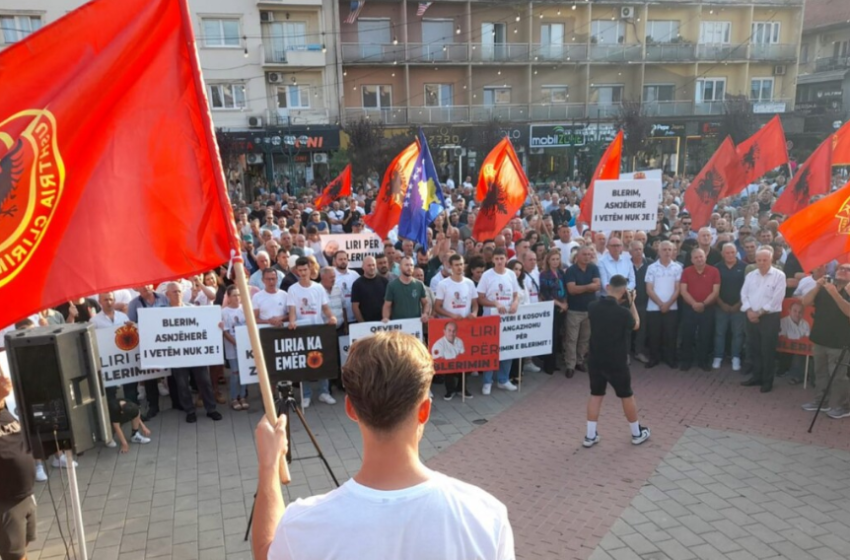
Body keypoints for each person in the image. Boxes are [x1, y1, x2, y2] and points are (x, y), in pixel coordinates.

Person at [252, 332, 515, 560]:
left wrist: (269, 464)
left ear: (351, 409)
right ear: (424, 411)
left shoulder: (305, 524)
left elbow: (266, 551)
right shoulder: (485, 517)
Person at [583, 274, 651, 448]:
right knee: (626, 395)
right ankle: (636, 433)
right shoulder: (623, 313)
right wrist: (632, 302)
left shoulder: (592, 307)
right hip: (617, 361)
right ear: (623, 291)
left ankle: (590, 436)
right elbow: (636, 324)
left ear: (608, 287)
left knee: (595, 394)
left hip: (596, 359)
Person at [165, 282, 223, 423]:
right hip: (177, 356)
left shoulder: (193, 309)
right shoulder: (161, 313)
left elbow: (207, 324)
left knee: (204, 381)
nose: (177, 294)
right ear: (167, 295)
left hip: (196, 354)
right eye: (174, 292)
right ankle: (190, 411)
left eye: (179, 291)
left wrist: (217, 325)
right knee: (182, 384)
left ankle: (211, 409)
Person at [287, 257, 338, 408]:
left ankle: (324, 392)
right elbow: (292, 310)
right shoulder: (293, 289)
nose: (302, 273)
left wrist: (331, 317)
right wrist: (292, 321)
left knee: (322, 360)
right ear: (297, 271)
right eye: (300, 270)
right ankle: (306, 395)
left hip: (318, 329)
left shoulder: (318, 288)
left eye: (305, 270)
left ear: (310, 270)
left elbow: (325, 308)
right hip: (302, 331)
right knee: (304, 364)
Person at [800, 265, 850, 418]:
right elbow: (805, 302)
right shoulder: (825, 287)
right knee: (820, 373)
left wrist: (835, 294)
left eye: (847, 270)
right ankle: (821, 401)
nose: (842, 271)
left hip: (840, 342)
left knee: (839, 376)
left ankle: (844, 406)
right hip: (820, 338)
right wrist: (816, 287)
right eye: (840, 268)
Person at [0, 370, 38, 560]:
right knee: (13, 556)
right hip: (6, 503)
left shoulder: (4, 412)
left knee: (22, 549)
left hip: (25, 497)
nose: (6, 378)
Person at [740, 247, 786, 393]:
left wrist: (757, 313)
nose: (761, 262)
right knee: (754, 349)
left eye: (765, 260)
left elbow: (776, 300)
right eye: (759, 260)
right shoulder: (751, 275)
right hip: (750, 315)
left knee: (767, 350)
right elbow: (744, 294)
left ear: (771, 260)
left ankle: (767, 381)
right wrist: (749, 310)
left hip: (769, 318)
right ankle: (756, 377)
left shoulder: (779, 276)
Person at [434, 254, 478, 400]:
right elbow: (437, 307)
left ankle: (462, 387)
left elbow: (475, 303)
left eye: (461, 264)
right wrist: (451, 315)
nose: (459, 267)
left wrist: (474, 313)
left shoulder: (469, 283)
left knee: (464, 356)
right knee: (449, 358)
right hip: (448, 326)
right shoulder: (443, 284)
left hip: (465, 325)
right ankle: (450, 389)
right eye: (456, 265)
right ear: (450, 267)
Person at [477, 248, 519, 395]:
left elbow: (516, 294)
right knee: (490, 350)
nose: (500, 261)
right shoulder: (487, 276)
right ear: (493, 260)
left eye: (502, 258)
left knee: (507, 348)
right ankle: (487, 381)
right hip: (490, 318)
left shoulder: (511, 274)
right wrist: (495, 303)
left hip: (507, 319)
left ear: (506, 259)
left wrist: (514, 303)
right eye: (497, 258)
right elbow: (480, 298)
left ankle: (503, 379)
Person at [127, 285, 171, 417]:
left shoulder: (163, 298)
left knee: (171, 372)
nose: (146, 287)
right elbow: (131, 323)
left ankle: (177, 402)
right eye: (142, 285)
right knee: (150, 375)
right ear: (137, 289)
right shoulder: (134, 304)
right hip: (147, 343)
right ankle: (153, 406)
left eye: (148, 284)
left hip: (165, 340)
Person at [678, 248, 720, 372]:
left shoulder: (714, 271)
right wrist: (694, 304)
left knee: (705, 335)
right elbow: (683, 290)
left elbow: (715, 291)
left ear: (705, 257)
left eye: (701, 256)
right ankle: (687, 361)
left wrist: (703, 304)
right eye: (696, 257)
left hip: (708, 308)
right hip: (689, 308)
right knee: (687, 335)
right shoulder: (686, 271)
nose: (699, 259)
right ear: (691, 259)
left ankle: (703, 361)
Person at [644, 241, 683, 369]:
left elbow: (678, 289)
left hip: (672, 307)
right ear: (659, 252)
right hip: (654, 307)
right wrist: (661, 304)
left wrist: (668, 304)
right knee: (654, 335)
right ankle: (654, 359)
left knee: (670, 335)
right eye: (664, 249)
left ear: (673, 251)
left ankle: (670, 359)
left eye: (669, 249)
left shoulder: (678, 268)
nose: (667, 252)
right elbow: (649, 289)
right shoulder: (651, 268)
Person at [564, 247, 601, 378]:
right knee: (571, 339)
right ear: (577, 256)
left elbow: (597, 286)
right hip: (574, 310)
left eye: (589, 254)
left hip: (589, 309)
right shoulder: (571, 270)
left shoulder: (594, 268)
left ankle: (579, 361)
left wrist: (584, 288)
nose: (587, 257)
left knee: (585, 338)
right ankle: (570, 365)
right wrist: (588, 287)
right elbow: (572, 290)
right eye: (584, 254)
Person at [713, 243, 747, 371]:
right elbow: (714, 288)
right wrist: (721, 303)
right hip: (720, 306)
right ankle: (718, 356)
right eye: (727, 253)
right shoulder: (716, 268)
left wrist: (739, 304)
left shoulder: (744, 267)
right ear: (722, 253)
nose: (730, 255)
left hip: (739, 307)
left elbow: (747, 288)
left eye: (732, 252)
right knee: (719, 333)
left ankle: (736, 357)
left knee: (738, 334)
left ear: (736, 252)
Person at [538, 249, 568, 375]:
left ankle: (554, 362)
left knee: (558, 336)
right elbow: (546, 294)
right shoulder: (544, 274)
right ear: (548, 261)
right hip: (551, 307)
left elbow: (565, 289)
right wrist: (559, 303)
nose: (555, 262)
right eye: (553, 259)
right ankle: (548, 365)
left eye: (557, 259)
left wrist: (565, 303)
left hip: (562, 306)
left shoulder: (561, 273)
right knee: (551, 336)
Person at [221, 285, 249, 411]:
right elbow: (225, 332)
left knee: (244, 371)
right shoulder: (224, 312)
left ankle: (242, 396)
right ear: (229, 297)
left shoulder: (245, 309)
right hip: (232, 347)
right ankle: (233, 397)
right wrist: (237, 343)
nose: (237, 298)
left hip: (245, 346)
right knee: (235, 373)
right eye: (234, 295)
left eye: (239, 295)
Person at [383, 257, 431, 323]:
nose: (409, 267)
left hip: (416, 324)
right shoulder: (392, 285)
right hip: (399, 325)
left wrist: (425, 313)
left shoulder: (419, 285)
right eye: (406, 265)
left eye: (411, 265)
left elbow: (425, 303)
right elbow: (387, 306)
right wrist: (385, 318)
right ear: (400, 267)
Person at [630, 240, 652, 364]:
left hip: (644, 302)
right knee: (627, 329)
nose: (638, 252)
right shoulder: (625, 264)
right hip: (628, 302)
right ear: (630, 252)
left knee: (642, 328)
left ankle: (638, 352)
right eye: (635, 249)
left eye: (640, 249)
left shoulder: (650, 264)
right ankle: (626, 353)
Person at [351, 256, 389, 323]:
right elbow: (355, 306)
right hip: (366, 323)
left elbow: (388, 302)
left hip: (383, 322)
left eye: (373, 265)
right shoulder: (357, 284)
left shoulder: (384, 281)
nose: (371, 267)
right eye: (369, 265)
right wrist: (362, 323)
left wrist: (386, 318)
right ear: (363, 267)